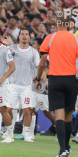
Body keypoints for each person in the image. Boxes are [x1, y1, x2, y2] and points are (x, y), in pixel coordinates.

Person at [36, 15, 78, 157]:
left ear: (57, 24)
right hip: (71, 79)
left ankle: (63, 150)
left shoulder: (50, 38)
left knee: (59, 116)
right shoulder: (75, 39)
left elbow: (42, 62)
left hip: (55, 79)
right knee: (67, 116)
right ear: (69, 25)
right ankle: (66, 147)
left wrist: (38, 78)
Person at [8, 27, 40, 143]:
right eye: (22, 34)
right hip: (13, 85)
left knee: (27, 111)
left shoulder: (34, 52)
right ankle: (9, 133)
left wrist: (38, 79)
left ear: (30, 37)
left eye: (27, 34)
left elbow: (38, 67)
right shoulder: (11, 49)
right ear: (19, 36)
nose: (24, 36)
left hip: (26, 86)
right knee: (9, 110)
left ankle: (26, 134)